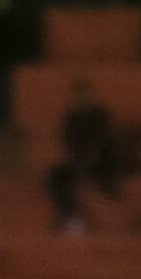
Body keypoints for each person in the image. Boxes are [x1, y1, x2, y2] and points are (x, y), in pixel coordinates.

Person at [46, 79, 121, 231]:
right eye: (78, 96)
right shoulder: (71, 118)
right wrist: (77, 160)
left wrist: (90, 157)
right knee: (55, 176)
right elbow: (68, 143)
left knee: (99, 165)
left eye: (85, 96)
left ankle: (106, 191)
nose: (82, 100)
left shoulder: (100, 116)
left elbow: (105, 142)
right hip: (78, 162)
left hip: (100, 164)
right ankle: (71, 216)